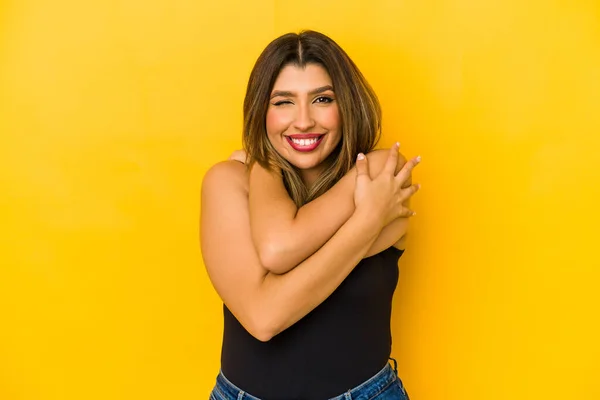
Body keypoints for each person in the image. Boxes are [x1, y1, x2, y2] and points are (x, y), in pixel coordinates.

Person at [201, 30, 421, 400]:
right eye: (283, 102)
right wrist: (366, 223)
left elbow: (277, 253)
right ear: (261, 112)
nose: (303, 121)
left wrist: (258, 161)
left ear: (346, 105)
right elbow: (265, 315)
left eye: (322, 99)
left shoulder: (382, 173)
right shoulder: (227, 181)